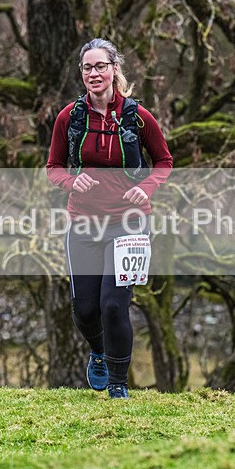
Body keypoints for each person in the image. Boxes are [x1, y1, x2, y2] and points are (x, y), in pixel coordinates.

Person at [46, 38, 172, 399]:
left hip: (129, 223)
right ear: (81, 74)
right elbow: (54, 167)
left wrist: (146, 188)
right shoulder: (69, 118)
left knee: (114, 306)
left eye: (101, 66)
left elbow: (164, 161)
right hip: (84, 223)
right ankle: (98, 353)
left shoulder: (136, 116)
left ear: (114, 69)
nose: (94, 73)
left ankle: (118, 383)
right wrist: (71, 181)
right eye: (87, 68)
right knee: (85, 309)